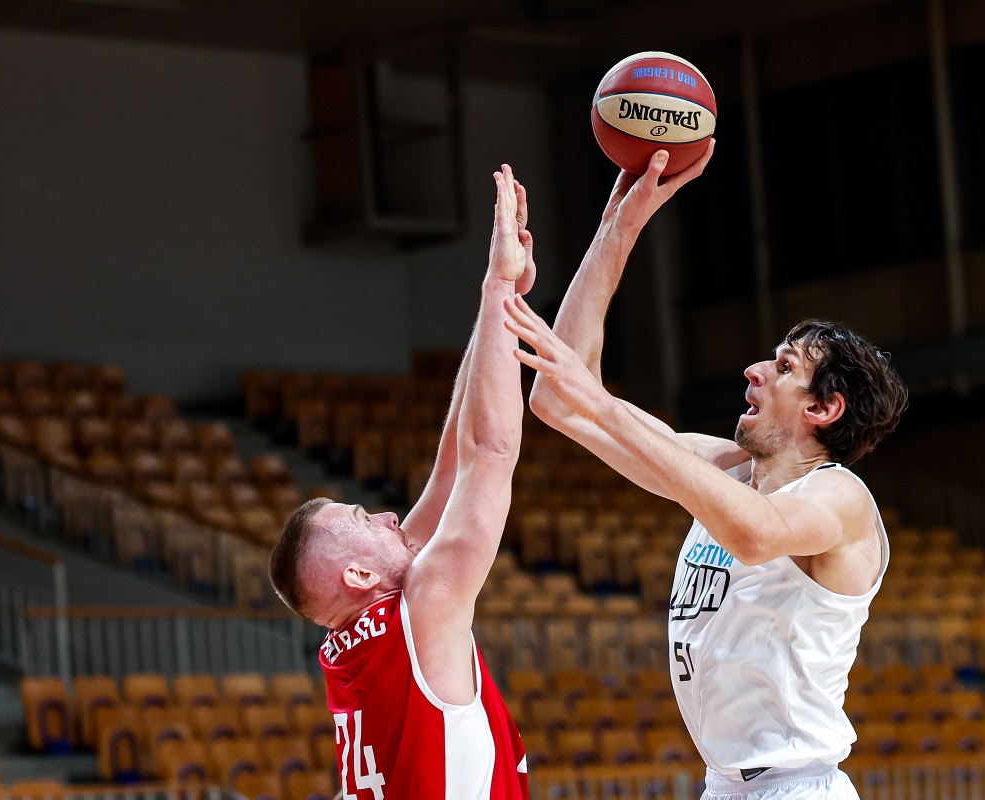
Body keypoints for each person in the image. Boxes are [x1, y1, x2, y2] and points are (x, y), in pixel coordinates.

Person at [503, 145, 909, 799]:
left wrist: (605, 404)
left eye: (782, 366)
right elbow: (557, 401)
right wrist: (618, 229)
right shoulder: (730, 470)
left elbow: (756, 534)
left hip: (796, 788)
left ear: (824, 408)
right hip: (724, 785)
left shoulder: (838, 498)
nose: (754, 369)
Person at [268, 164, 536, 799]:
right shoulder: (426, 607)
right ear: (357, 576)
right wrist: (500, 284)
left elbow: (451, 463)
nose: (389, 517)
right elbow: (491, 452)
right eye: (364, 521)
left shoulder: (346, 648)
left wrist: (496, 297)